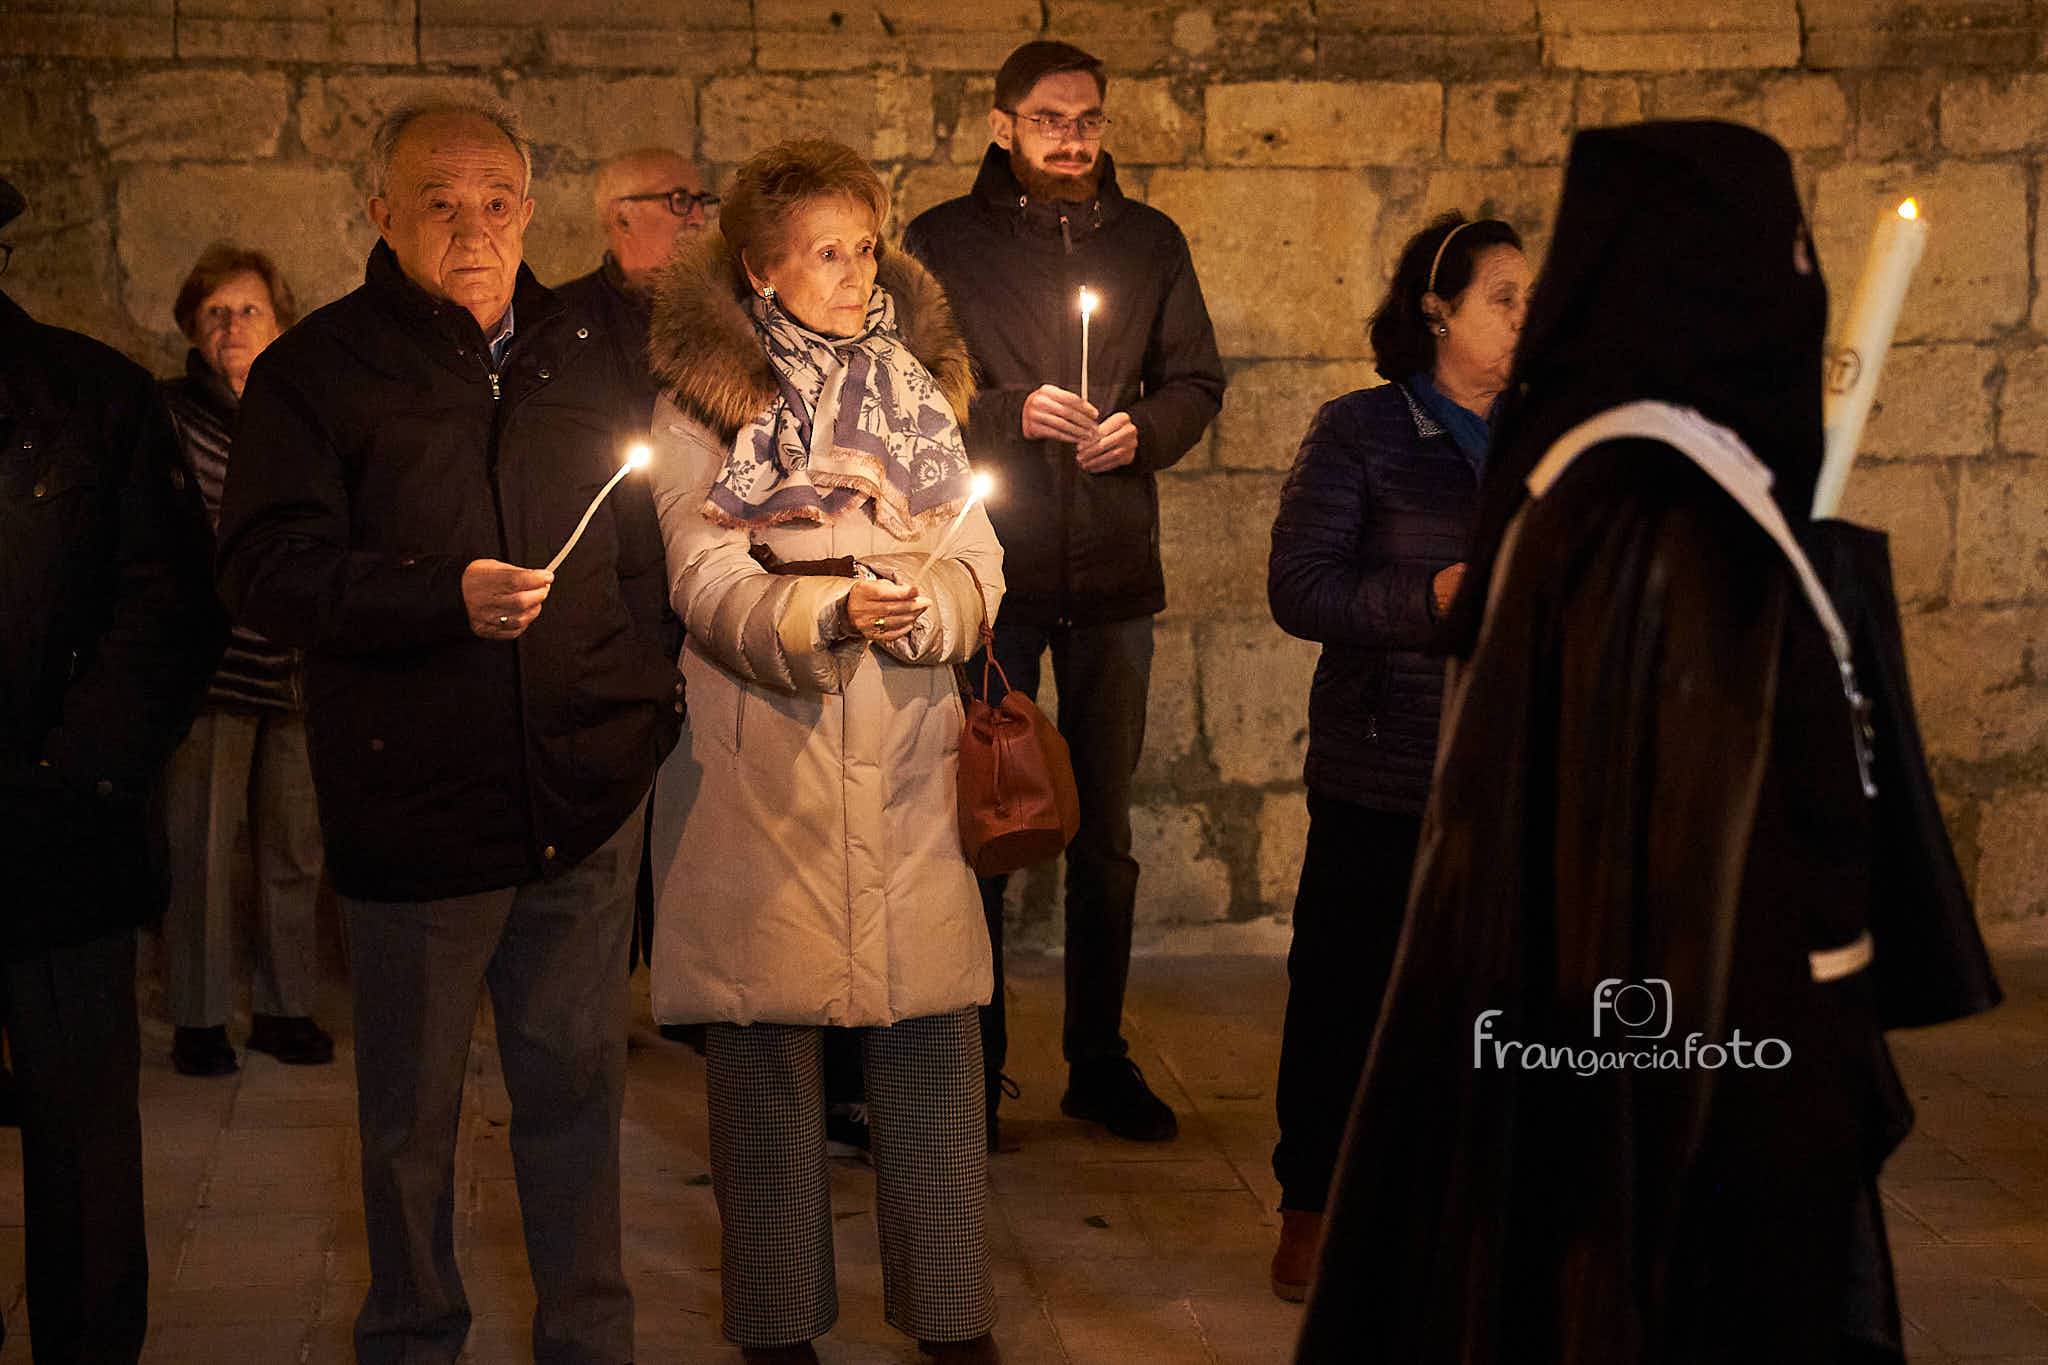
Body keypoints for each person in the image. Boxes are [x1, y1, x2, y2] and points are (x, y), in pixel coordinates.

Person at [1298, 121, 1921, 1362]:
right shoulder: (1644, 507)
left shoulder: (1627, 475)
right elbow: (1672, 844)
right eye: (1784, 251)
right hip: (1673, 1043)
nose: (1797, 285)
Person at [215, 100, 681, 1365]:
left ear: (529, 209)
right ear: (381, 214)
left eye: (494, 201)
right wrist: (439, 597)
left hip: (581, 794)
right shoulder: (319, 371)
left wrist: (642, 706)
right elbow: (263, 568)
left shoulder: (589, 351)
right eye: (437, 203)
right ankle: (415, 1336)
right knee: (411, 1121)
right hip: (414, 800)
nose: (471, 228)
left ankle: (589, 1341)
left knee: (576, 1092)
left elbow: (643, 550)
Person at [643, 139, 1003, 1365]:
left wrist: (933, 611)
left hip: (906, 762)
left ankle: (951, 1320)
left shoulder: (917, 391)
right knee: (763, 1058)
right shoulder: (707, 404)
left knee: (931, 1043)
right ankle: (777, 1327)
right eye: (826, 253)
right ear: (760, 270)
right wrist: (827, 613)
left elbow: (974, 551)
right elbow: (700, 574)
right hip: (766, 766)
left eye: (864, 246)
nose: (856, 273)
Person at [903, 38, 1225, 1147]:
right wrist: (1008, 413)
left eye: (1087, 118)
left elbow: (1196, 380)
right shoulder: (942, 241)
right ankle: (975, 1064)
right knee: (986, 819)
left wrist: (1144, 430)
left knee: (1105, 834)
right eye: (1049, 118)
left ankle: (1098, 1059)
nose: (1073, 138)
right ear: (1002, 125)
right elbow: (910, 389)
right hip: (991, 578)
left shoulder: (1150, 242)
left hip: (1114, 576)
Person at [1264, 212, 1528, 1301]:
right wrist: (1430, 598)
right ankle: (1313, 1211)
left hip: (1511, 768)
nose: (1527, 317)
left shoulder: (1549, 434)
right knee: (1345, 993)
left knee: (1494, 1003)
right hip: (1385, 764)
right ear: (1437, 311)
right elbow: (1301, 588)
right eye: (1505, 298)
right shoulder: (1361, 431)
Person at [0, 174, 223, 1362]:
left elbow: (166, 609)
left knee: (80, 1141)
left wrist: (73, 772)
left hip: (56, 833)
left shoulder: (93, 398)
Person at [159, 243, 334, 1077]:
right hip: (208, 668)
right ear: (193, 327)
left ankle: (283, 1005)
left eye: (249, 310)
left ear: (280, 322)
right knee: (199, 844)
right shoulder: (169, 417)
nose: (232, 326)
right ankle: (197, 1016)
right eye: (216, 312)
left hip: (294, 662)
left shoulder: (303, 416)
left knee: (294, 846)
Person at [558, 146, 714, 979]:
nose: (697, 215)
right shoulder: (561, 323)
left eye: (701, 199)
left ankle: (689, 991)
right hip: (610, 598)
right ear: (620, 215)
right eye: (676, 199)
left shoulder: (727, 321)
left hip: (706, 591)